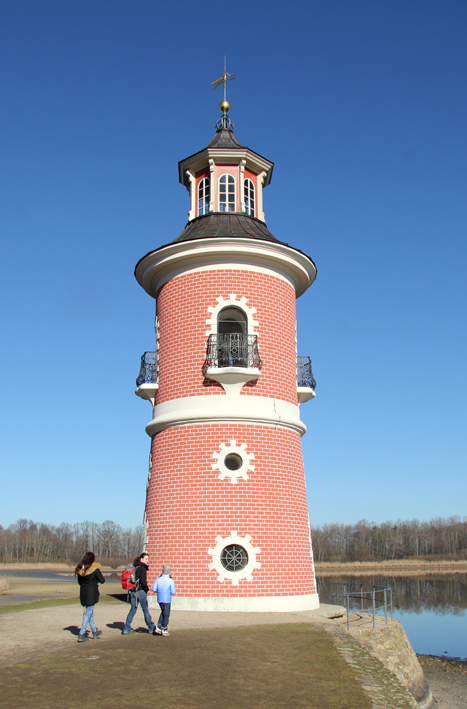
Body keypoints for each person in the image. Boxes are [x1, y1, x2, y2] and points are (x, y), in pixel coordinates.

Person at [75, 551, 105, 643]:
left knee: (89, 612)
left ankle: (94, 631)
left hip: (83, 593)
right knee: (88, 613)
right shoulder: (95, 569)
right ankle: (81, 633)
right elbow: (102, 580)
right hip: (91, 593)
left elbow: (79, 582)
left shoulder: (81, 569)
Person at [122, 552, 155, 635]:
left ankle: (126, 628)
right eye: (146, 559)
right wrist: (146, 589)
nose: (147, 561)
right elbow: (143, 582)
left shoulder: (134, 567)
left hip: (132, 591)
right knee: (145, 610)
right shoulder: (142, 568)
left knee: (132, 610)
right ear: (141, 559)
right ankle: (151, 627)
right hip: (140, 591)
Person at [152, 564, 176, 636]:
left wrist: (159, 591)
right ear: (169, 572)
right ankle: (164, 628)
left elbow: (154, 589)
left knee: (163, 612)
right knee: (166, 614)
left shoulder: (158, 579)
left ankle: (158, 627)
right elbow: (173, 592)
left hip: (160, 599)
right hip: (167, 599)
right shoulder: (170, 580)